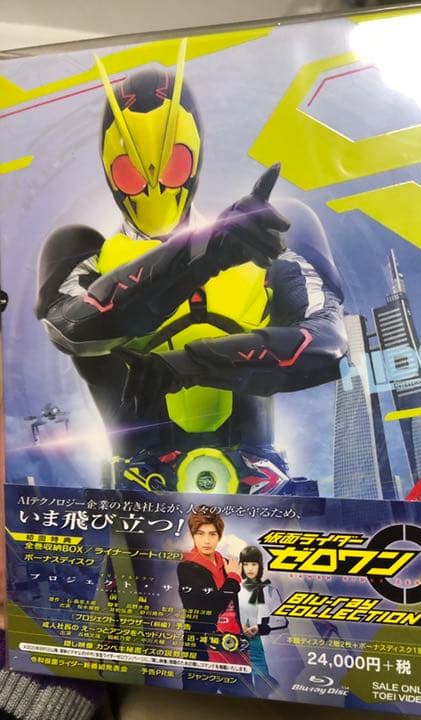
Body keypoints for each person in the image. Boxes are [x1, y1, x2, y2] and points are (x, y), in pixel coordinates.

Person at [34, 41, 347, 496]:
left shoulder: (271, 230)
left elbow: (326, 343)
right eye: (130, 172)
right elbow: (73, 327)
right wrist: (206, 252)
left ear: (194, 157)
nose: (153, 185)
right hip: (139, 488)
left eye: (173, 164)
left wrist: (186, 365)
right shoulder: (84, 251)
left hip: (255, 481)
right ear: (109, 170)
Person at [177, 507, 254, 695]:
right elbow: (209, 607)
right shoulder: (187, 567)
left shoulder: (226, 563)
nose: (207, 540)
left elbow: (236, 605)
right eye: (200, 533)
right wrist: (233, 578)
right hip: (204, 656)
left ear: (219, 536)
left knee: (247, 707)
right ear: (193, 535)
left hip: (236, 652)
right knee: (196, 707)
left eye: (212, 534)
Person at [238, 545, 281, 698]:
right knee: (242, 691)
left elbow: (281, 620)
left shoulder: (269, 590)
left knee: (262, 691)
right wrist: (240, 626)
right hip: (238, 647)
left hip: (260, 649)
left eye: (254, 564)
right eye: (246, 564)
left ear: (260, 565)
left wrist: (259, 628)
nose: (250, 568)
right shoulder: (236, 589)